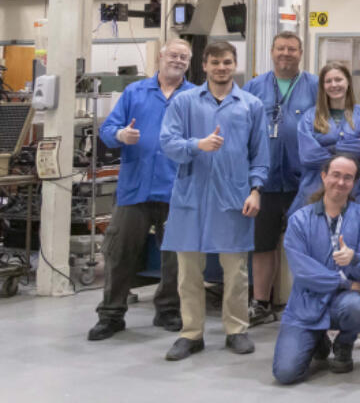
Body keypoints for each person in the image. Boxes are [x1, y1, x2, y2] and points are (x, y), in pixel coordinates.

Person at [159, 40, 269, 361]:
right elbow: (168, 142)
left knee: (236, 270)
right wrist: (198, 145)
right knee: (188, 271)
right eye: (215, 62)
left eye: (227, 62)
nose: (221, 67)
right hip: (191, 195)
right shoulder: (184, 102)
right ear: (204, 65)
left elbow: (260, 154)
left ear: (234, 65)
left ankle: (236, 329)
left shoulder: (250, 105)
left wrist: (255, 190)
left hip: (234, 196)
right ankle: (191, 333)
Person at [88, 39, 196, 341]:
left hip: (176, 190)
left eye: (184, 57)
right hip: (135, 189)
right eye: (173, 55)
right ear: (160, 57)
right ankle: (111, 314)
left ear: (189, 63)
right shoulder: (135, 93)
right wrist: (121, 134)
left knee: (175, 257)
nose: (177, 60)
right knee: (119, 252)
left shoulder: (195, 96)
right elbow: (107, 131)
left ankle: (168, 310)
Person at [272, 153, 360, 384]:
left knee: (358, 307)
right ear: (324, 176)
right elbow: (303, 271)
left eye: (347, 178)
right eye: (335, 175)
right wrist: (347, 283)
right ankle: (317, 340)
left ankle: (344, 343)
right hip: (305, 306)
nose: (340, 182)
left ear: (353, 183)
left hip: (344, 303)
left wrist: (355, 258)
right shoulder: (299, 220)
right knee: (285, 374)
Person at [244, 31, 318, 326]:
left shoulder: (314, 86)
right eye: (280, 49)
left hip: (306, 181)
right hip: (265, 181)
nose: (285, 53)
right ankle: (261, 304)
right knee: (263, 245)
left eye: (291, 49)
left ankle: (312, 301)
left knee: (310, 244)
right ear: (272, 52)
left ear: (301, 53)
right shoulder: (254, 86)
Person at [291, 62, 360, 213]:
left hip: (353, 193)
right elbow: (308, 156)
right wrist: (351, 149)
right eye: (328, 81)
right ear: (322, 86)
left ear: (348, 82)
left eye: (338, 79)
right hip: (315, 191)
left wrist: (331, 148)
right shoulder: (310, 117)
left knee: (350, 234)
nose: (334, 84)